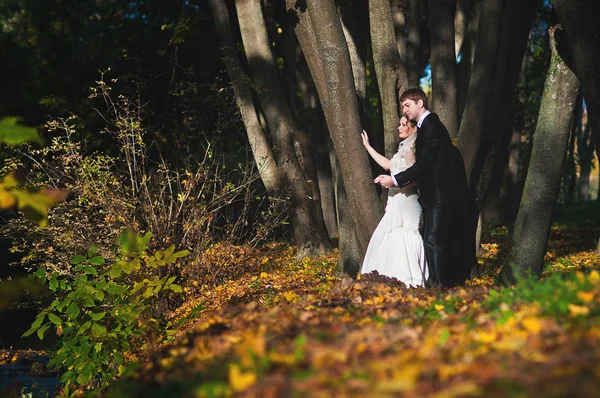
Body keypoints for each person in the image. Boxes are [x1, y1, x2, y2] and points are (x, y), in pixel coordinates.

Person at [374, 88, 472, 287]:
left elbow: (424, 164)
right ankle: (437, 282)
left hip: (440, 195)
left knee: (433, 240)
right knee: (433, 240)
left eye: (408, 105)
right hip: (431, 196)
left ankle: (439, 285)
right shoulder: (425, 126)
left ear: (421, 103)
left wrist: (395, 180)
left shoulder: (432, 125)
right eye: (403, 106)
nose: (405, 109)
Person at [360, 115, 428, 287]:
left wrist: (393, 183)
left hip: (407, 202)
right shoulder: (403, 149)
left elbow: (418, 178)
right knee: (389, 239)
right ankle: (393, 281)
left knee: (405, 237)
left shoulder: (413, 149)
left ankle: (413, 282)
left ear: (413, 129)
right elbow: (389, 165)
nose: (398, 127)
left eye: (403, 124)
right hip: (396, 202)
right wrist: (367, 147)